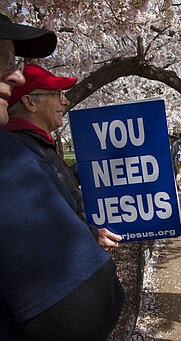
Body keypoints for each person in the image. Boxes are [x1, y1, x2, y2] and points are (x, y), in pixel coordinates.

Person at [0, 10, 124, 341]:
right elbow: (78, 312)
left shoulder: (34, 150)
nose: (16, 75)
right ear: (29, 102)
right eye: (2, 58)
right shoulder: (15, 162)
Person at [5, 63, 122, 251]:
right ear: (30, 102)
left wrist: (85, 169)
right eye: (58, 94)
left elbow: (56, 186)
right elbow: (49, 221)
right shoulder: (23, 154)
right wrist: (91, 234)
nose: (65, 101)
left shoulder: (36, 145)